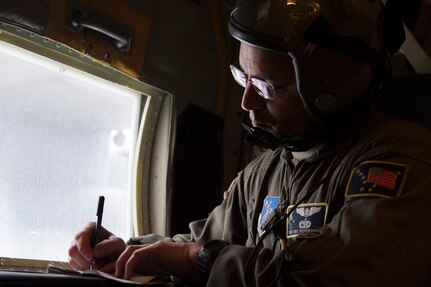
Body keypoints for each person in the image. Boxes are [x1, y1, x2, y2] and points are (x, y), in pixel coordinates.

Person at [68, 0, 431, 286]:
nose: (247, 102)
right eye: (242, 76)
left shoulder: (403, 161)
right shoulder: (265, 172)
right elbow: (202, 241)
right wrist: (128, 249)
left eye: (267, 88)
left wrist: (194, 260)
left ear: (331, 91)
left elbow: (328, 279)